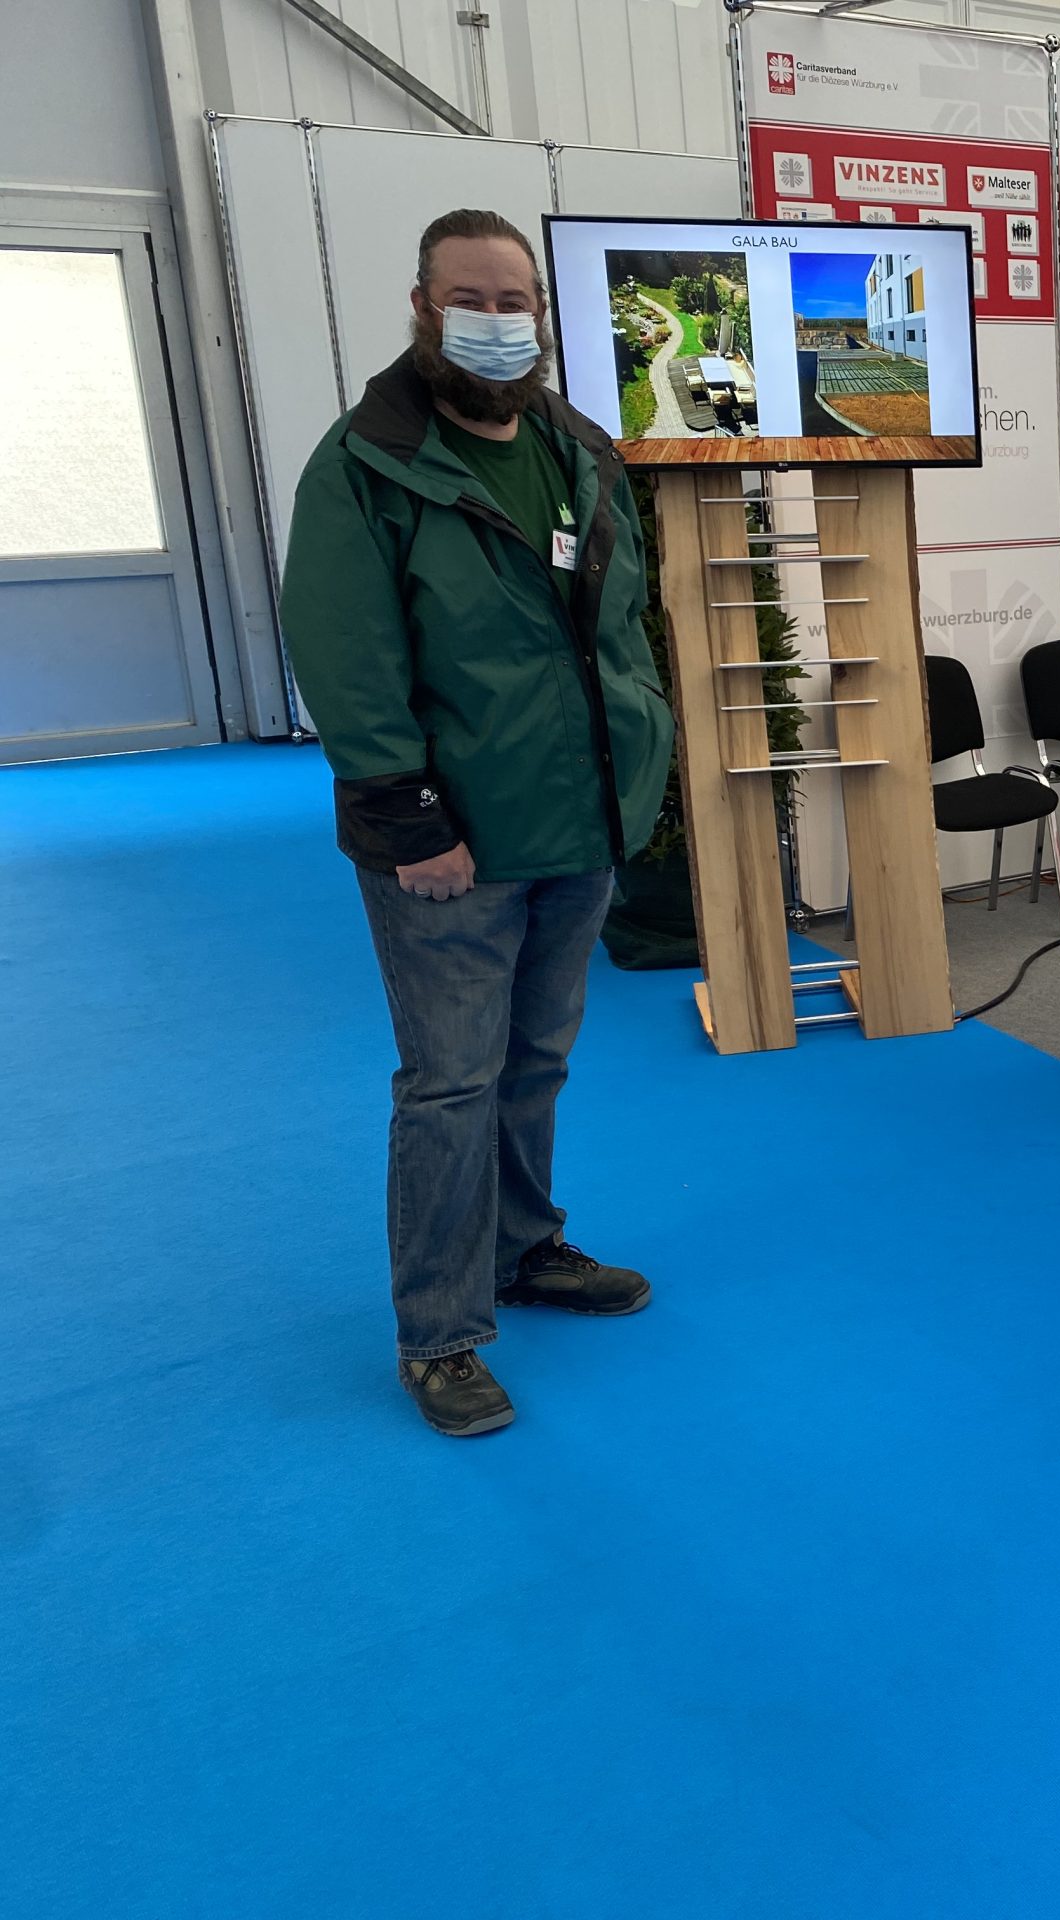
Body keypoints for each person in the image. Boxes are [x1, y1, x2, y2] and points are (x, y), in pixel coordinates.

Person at [281, 209, 675, 1436]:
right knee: (450, 1081)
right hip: (451, 843)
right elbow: (346, 660)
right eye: (474, 299)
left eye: (518, 303)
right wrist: (407, 820)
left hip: (578, 822)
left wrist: (642, 769)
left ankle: (524, 1247)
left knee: (537, 1063)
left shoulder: (578, 448)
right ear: (422, 305)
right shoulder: (363, 466)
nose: (500, 323)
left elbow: (621, 626)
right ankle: (438, 1334)